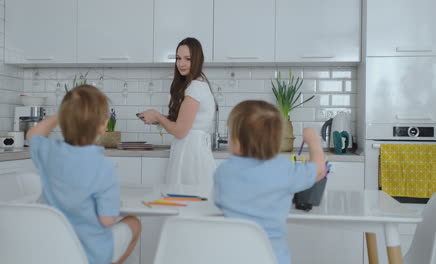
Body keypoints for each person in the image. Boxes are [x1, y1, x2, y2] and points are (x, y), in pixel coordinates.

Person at [26, 84, 141, 264]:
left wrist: (59, 117)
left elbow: (32, 135)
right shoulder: (103, 166)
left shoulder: (49, 153)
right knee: (134, 223)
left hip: (53, 251)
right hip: (90, 255)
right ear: (102, 127)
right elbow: (107, 220)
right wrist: (112, 205)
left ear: (64, 121)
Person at [214, 100, 326, 264]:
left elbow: (220, 204)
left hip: (231, 257)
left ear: (237, 142)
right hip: (272, 259)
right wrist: (313, 140)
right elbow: (319, 170)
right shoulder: (285, 169)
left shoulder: (223, 171)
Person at [138, 37, 216, 191]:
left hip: (190, 154)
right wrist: (158, 119)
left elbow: (180, 131)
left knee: (184, 202)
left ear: (197, 59)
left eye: (187, 59)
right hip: (192, 151)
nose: (181, 63)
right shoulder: (198, 84)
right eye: (178, 58)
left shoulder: (195, 87)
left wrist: (157, 116)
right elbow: (186, 121)